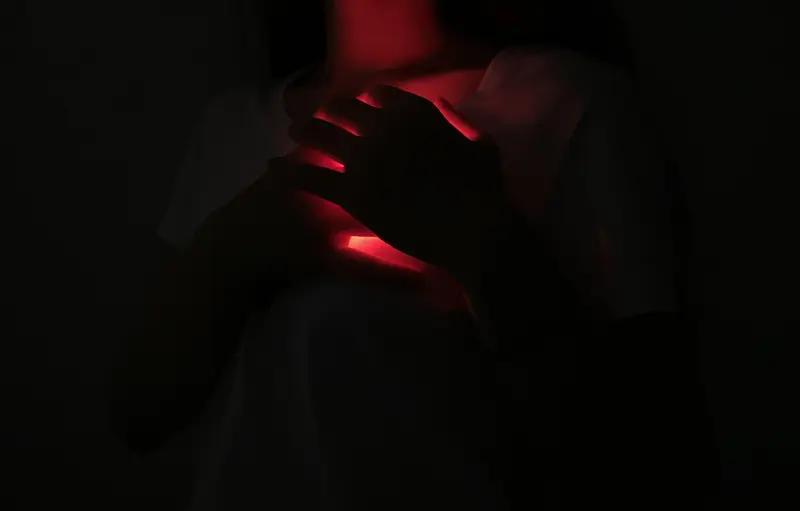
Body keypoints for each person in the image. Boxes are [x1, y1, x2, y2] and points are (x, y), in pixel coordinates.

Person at [110, 1, 714, 509]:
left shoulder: (567, 102)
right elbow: (140, 414)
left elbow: (654, 457)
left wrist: (489, 248)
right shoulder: (228, 130)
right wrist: (232, 249)